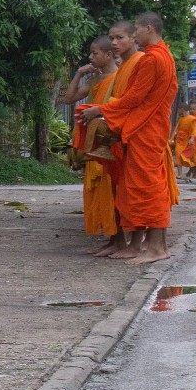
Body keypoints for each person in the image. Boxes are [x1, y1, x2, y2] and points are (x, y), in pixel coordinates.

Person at [80, 12, 179, 264]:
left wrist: (101, 110)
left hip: (146, 130)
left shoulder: (152, 59)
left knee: (149, 188)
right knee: (140, 187)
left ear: (148, 29)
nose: (135, 34)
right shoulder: (162, 56)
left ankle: (157, 247)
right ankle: (152, 245)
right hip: (147, 127)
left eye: (135, 30)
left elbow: (135, 97)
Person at [58, 36, 121, 250]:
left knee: (112, 186)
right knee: (96, 187)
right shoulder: (94, 81)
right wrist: (79, 73)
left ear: (108, 55)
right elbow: (69, 98)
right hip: (94, 140)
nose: (90, 57)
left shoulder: (120, 78)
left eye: (95, 53)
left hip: (111, 139)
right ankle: (108, 232)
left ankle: (116, 234)